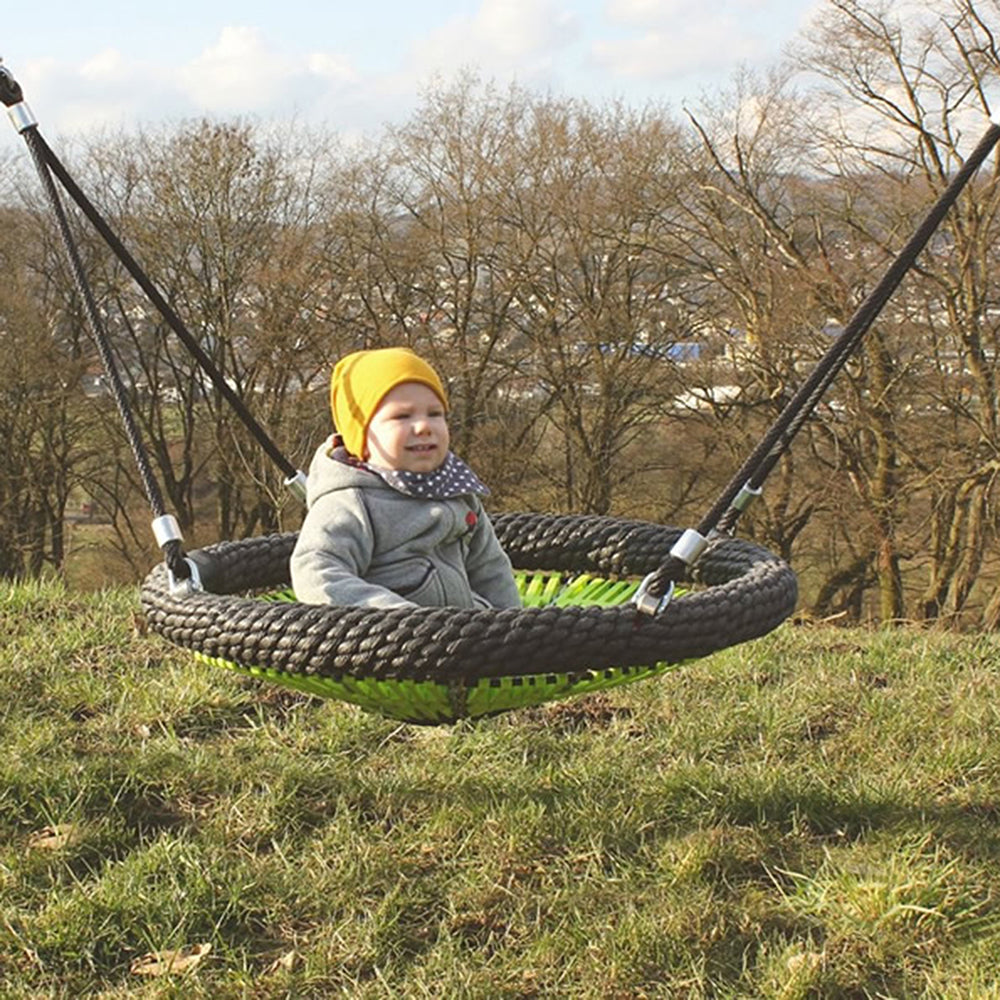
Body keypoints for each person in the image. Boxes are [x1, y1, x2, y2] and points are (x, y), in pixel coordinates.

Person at [290, 346, 522, 611]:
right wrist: (397, 618)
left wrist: (513, 628)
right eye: (402, 416)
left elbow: (490, 568)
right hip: (386, 643)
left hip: (465, 636)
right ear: (362, 437)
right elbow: (317, 572)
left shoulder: (456, 490)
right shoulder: (351, 501)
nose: (424, 426)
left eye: (435, 414)